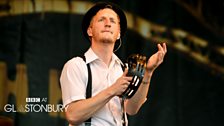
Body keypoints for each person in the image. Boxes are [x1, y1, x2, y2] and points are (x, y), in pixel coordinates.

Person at [60, 2, 167, 126]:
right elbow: (73, 115)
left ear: (119, 34)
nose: (108, 24)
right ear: (90, 31)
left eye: (113, 21)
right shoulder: (76, 65)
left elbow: (132, 109)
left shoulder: (123, 69)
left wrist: (148, 72)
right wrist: (113, 90)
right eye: (101, 20)